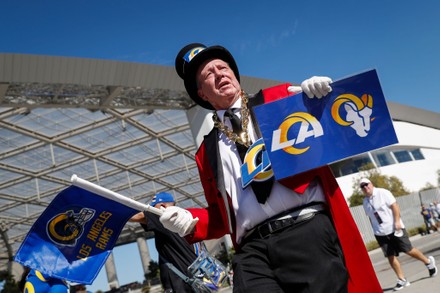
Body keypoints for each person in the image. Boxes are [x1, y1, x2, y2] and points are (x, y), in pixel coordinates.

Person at [158, 43, 381, 292]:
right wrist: (191, 220)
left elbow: (334, 133)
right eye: (209, 73)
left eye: (223, 66)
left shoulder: (279, 100)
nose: (220, 73)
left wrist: (320, 102)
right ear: (202, 94)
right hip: (252, 252)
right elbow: (223, 216)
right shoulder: (204, 152)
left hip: (304, 229)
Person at [360, 178, 438, 291]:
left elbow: (395, 206)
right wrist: (375, 230)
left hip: (394, 227)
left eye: (366, 184)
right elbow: (371, 218)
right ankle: (402, 279)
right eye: (362, 186)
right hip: (380, 233)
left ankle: (428, 262)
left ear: (371, 184)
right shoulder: (365, 202)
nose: (365, 187)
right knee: (390, 256)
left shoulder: (383, 193)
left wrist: (397, 222)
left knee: (408, 250)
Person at [129, 192, 198, 293]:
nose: (151, 211)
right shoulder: (186, 219)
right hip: (196, 280)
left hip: (180, 284)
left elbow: (135, 216)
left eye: (153, 208)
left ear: (162, 206)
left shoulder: (165, 218)